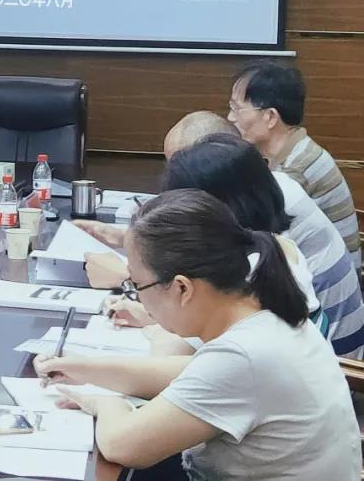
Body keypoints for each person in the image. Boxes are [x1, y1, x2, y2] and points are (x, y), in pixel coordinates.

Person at [35, 189, 359, 480]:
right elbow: (185, 376)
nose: (137, 297)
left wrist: (102, 403)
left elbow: (122, 445)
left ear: (181, 288)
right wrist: (84, 369)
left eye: (136, 285)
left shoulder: (244, 354)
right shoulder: (261, 305)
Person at [83, 112, 364, 357]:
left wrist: (132, 282)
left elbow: (178, 352)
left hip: (343, 362)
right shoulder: (266, 198)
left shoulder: (259, 261)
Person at [229, 61, 360, 265]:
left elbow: (269, 242)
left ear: (270, 117)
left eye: (237, 109)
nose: (230, 118)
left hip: (328, 279)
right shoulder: (292, 149)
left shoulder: (295, 170)